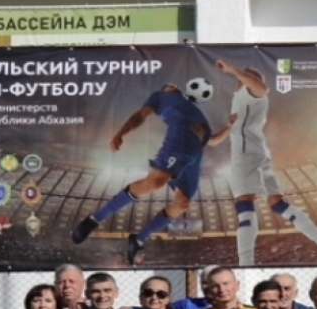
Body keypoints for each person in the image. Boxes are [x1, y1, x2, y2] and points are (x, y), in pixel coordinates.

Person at [210, 59, 317, 267]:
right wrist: (226, 128)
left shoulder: (254, 94)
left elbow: (263, 87)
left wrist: (232, 69)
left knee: (245, 205)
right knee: (277, 204)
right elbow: (214, 141)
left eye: (245, 77)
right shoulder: (240, 101)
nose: (238, 80)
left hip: (248, 157)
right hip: (253, 156)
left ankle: (246, 263)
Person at [72, 82, 212, 266]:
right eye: (169, 85)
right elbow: (140, 116)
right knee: (155, 182)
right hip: (181, 138)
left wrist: (229, 128)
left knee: (182, 204)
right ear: (165, 89)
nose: (173, 85)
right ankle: (94, 219)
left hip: (195, 155)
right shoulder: (160, 97)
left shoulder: (193, 108)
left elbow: (212, 139)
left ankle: (138, 240)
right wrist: (121, 133)